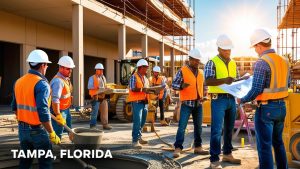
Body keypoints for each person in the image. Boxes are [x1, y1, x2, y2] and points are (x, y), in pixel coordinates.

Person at [237, 29, 289, 169]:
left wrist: (242, 99)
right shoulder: (284, 60)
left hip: (266, 109)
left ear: (259, 46)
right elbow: (286, 84)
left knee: (264, 147)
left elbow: (256, 89)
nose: (255, 51)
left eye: (255, 48)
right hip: (281, 108)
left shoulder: (261, 62)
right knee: (278, 143)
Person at [11, 49, 60, 169]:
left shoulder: (19, 82)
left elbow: (14, 107)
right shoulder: (42, 84)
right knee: (45, 163)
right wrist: (52, 132)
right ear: (43, 65)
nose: (47, 67)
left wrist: (24, 122)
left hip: (22, 130)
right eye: (47, 64)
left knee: (25, 162)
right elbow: (43, 112)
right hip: (38, 130)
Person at [205, 34, 241, 169]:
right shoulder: (212, 62)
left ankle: (227, 153)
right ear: (219, 49)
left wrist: (242, 81)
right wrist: (225, 80)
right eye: (225, 49)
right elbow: (207, 81)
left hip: (231, 99)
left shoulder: (233, 62)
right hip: (218, 99)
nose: (228, 52)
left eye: (229, 49)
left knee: (229, 129)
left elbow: (236, 80)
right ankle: (214, 160)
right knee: (216, 130)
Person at [172, 48, 209, 158]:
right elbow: (174, 85)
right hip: (186, 104)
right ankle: (178, 147)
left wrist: (205, 95)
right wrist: (181, 86)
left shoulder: (201, 72)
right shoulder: (182, 71)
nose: (197, 62)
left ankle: (198, 147)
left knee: (198, 127)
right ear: (190, 59)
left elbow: (205, 85)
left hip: (198, 104)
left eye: (198, 60)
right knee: (182, 127)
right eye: (195, 60)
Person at [50, 56, 75, 139]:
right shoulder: (58, 81)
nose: (70, 71)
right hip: (59, 111)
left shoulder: (66, 78)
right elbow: (55, 99)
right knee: (58, 131)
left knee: (69, 129)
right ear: (61, 68)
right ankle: (56, 149)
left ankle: (75, 144)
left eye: (71, 69)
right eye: (68, 69)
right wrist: (58, 114)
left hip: (66, 109)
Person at [128, 59, 150, 149]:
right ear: (140, 68)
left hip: (144, 102)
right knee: (137, 121)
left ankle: (139, 137)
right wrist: (142, 89)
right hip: (137, 102)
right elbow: (133, 88)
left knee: (143, 121)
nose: (147, 70)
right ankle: (135, 141)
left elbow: (147, 89)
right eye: (146, 68)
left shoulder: (145, 78)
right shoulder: (134, 76)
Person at [88, 63, 112, 130]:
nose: (102, 71)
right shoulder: (92, 78)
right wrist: (99, 88)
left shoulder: (103, 77)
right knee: (94, 113)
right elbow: (90, 87)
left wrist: (107, 89)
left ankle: (105, 125)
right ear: (96, 70)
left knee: (105, 111)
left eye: (102, 70)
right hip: (95, 97)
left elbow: (105, 86)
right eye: (100, 70)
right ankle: (93, 126)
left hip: (103, 97)